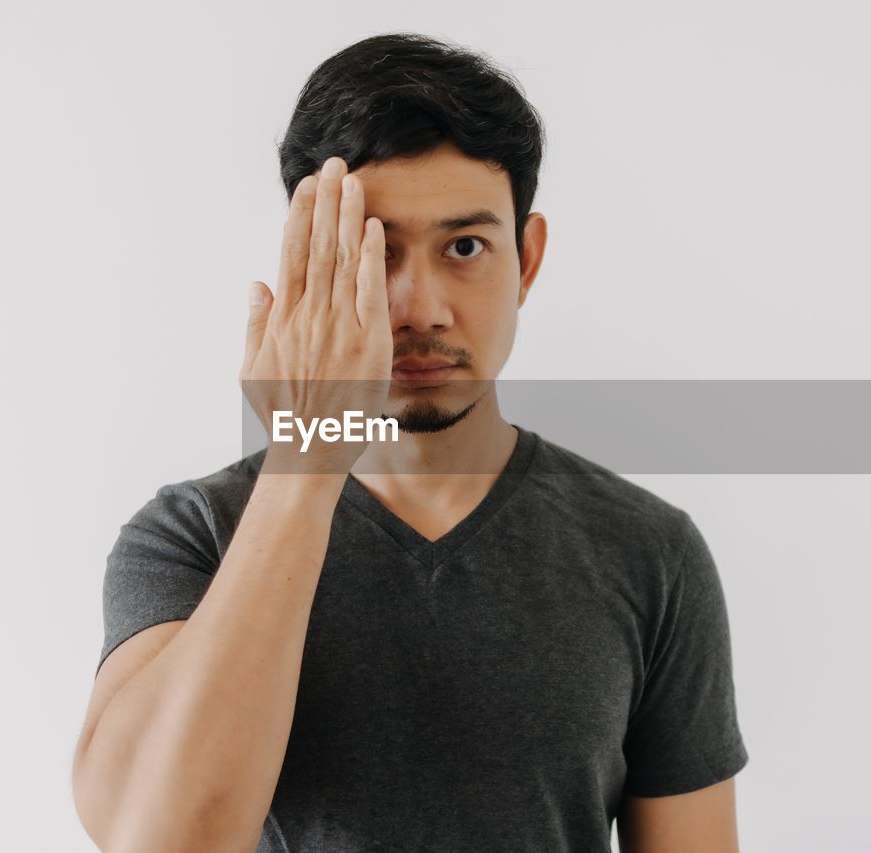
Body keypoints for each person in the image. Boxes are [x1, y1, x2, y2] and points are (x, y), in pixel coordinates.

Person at [71, 32, 749, 853]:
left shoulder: (651, 550)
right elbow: (161, 841)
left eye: (465, 248)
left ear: (526, 261)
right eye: (372, 252)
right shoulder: (192, 536)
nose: (419, 306)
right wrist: (305, 463)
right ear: (306, 264)